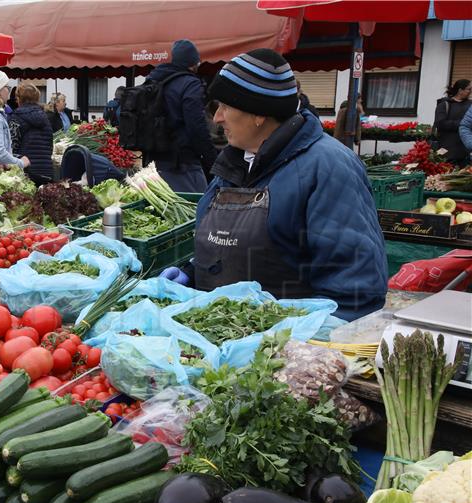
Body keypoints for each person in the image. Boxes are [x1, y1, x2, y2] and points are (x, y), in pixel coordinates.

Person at [160, 49, 387, 321]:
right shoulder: (235, 161)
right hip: (225, 337)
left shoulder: (329, 168)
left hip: (280, 351)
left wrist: (300, 345)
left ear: (259, 114)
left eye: (225, 106)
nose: (217, 117)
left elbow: (355, 288)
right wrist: (193, 271)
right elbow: (231, 245)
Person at [143, 39, 217, 193]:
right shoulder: (190, 84)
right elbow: (196, 125)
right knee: (199, 208)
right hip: (184, 162)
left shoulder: (154, 80)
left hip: (155, 159)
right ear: (193, 62)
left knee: (167, 210)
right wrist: (211, 158)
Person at [8, 83, 53, 184]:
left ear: (19, 99)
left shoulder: (16, 118)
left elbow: (11, 147)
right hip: (46, 170)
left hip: (26, 173)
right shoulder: (45, 117)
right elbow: (50, 145)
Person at [433, 79, 472, 165]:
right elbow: (440, 123)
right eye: (469, 89)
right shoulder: (445, 104)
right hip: (448, 151)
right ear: (460, 90)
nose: (470, 91)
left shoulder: (470, 105)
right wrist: (464, 124)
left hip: (466, 151)